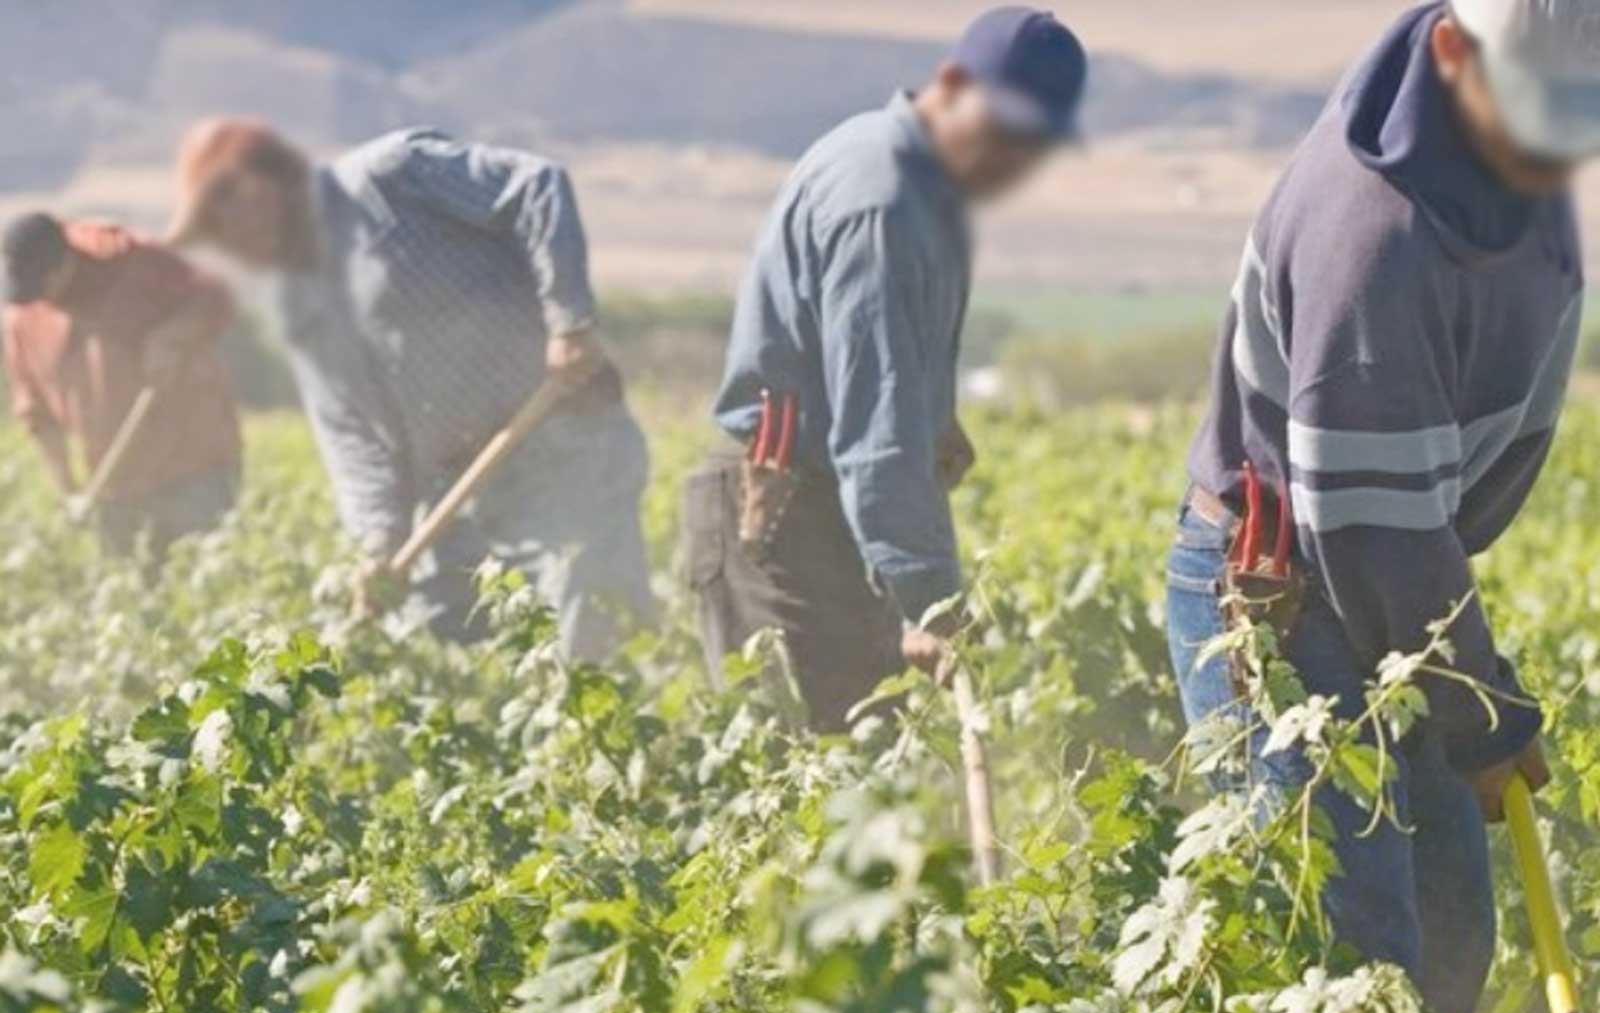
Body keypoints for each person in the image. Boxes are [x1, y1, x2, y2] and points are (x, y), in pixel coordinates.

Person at [1167, 1, 1595, 1013]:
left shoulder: (1509, 162)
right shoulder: (1372, 233)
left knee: (1451, 931)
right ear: (1451, 54)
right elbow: (1376, 534)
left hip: (1400, 574)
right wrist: (1480, 721)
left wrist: (1476, 704)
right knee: (1358, 953)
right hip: (1279, 595)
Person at [686, 6, 1088, 730]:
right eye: (1006, 131)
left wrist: (943, 426)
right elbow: (877, 432)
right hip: (779, 512)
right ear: (953, 83)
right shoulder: (881, 202)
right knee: (815, 782)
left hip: (829, 510)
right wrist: (931, 603)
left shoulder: (921, 190)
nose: (1014, 159)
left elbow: (897, 388)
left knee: (861, 780)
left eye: (1032, 143)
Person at [163, 120, 653, 659]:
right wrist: (380, 545)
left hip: (559, 441)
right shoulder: (298, 303)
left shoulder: (391, 179)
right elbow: (351, 434)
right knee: (436, 646)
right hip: (456, 487)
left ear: (264, 187)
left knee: (588, 637)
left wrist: (569, 324)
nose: (229, 244)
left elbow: (536, 186)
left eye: (221, 219)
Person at [2, 212, 242, 559]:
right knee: (138, 594)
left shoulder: (133, 262)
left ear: (64, 263)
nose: (40, 298)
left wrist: (173, 336)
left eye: (44, 285)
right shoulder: (24, 314)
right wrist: (68, 490)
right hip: (114, 487)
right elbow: (37, 415)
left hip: (194, 464)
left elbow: (216, 299)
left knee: (206, 574)